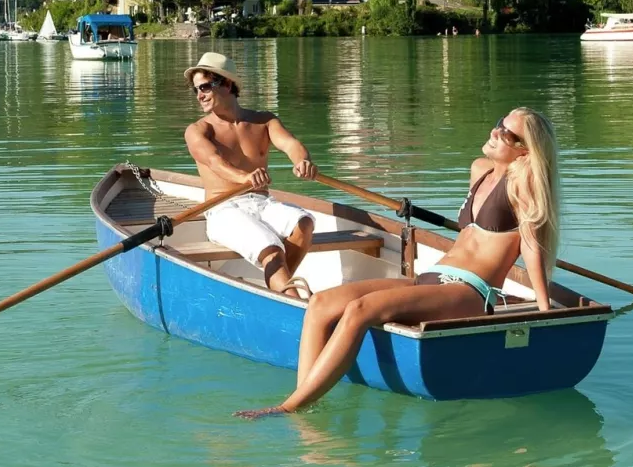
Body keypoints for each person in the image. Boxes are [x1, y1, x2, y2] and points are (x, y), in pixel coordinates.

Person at [235, 107, 559, 418]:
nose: (495, 130)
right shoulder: (480, 170)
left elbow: (532, 247)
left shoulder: (523, 184)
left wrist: (545, 311)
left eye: (505, 132)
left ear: (524, 151)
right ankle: (305, 394)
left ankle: (289, 408)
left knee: (361, 310)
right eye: (499, 122)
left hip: (469, 290)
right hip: (432, 278)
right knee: (321, 302)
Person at [183, 52, 320, 298]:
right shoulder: (198, 130)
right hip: (223, 209)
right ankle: (294, 303)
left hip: (261, 202)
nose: (199, 95)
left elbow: (290, 144)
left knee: (305, 223)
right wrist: (243, 178)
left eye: (204, 87)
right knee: (272, 249)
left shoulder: (264, 121)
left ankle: (280, 292)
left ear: (226, 84)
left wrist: (303, 161)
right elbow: (215, 162)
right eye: (196, 90)